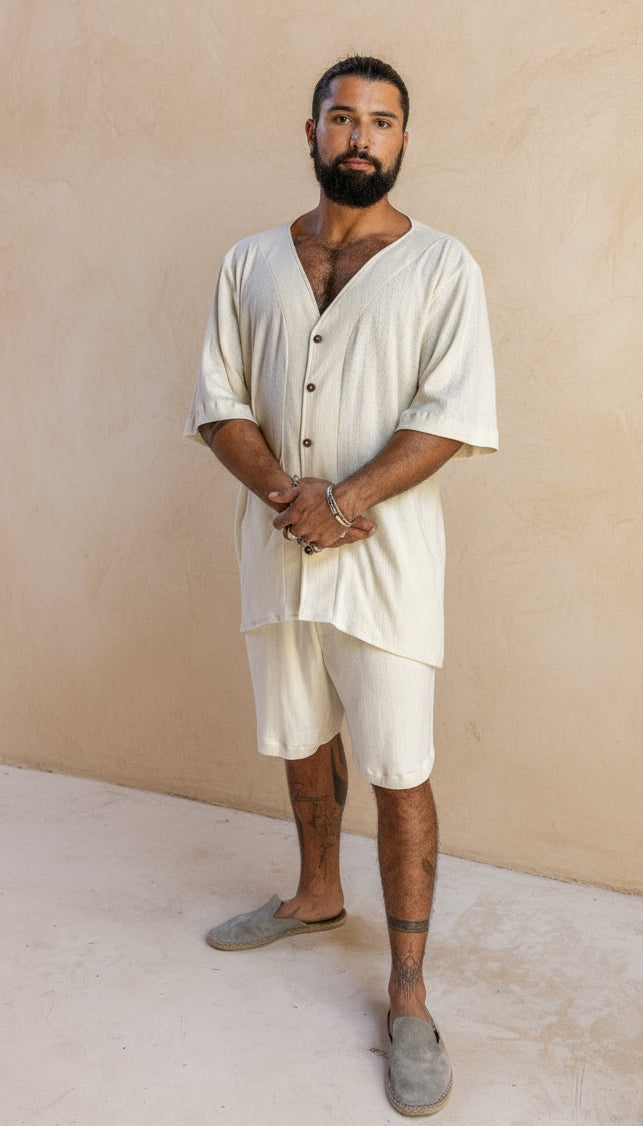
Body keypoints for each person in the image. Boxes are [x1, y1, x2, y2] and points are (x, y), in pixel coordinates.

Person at [184, 55, 498, 1117]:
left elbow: (452, 414)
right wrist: (285, 490)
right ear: (311, 130)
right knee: (305, 735)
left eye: (382, 121)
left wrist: (347, 499)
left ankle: (409, 995)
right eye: (343, 118)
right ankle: (317, 894)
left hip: (388, 568)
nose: (361, 136)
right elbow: (218, 397)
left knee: (399, 764)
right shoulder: (247, 263)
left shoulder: (445, 266)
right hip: (276, 546)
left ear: (404, 141)